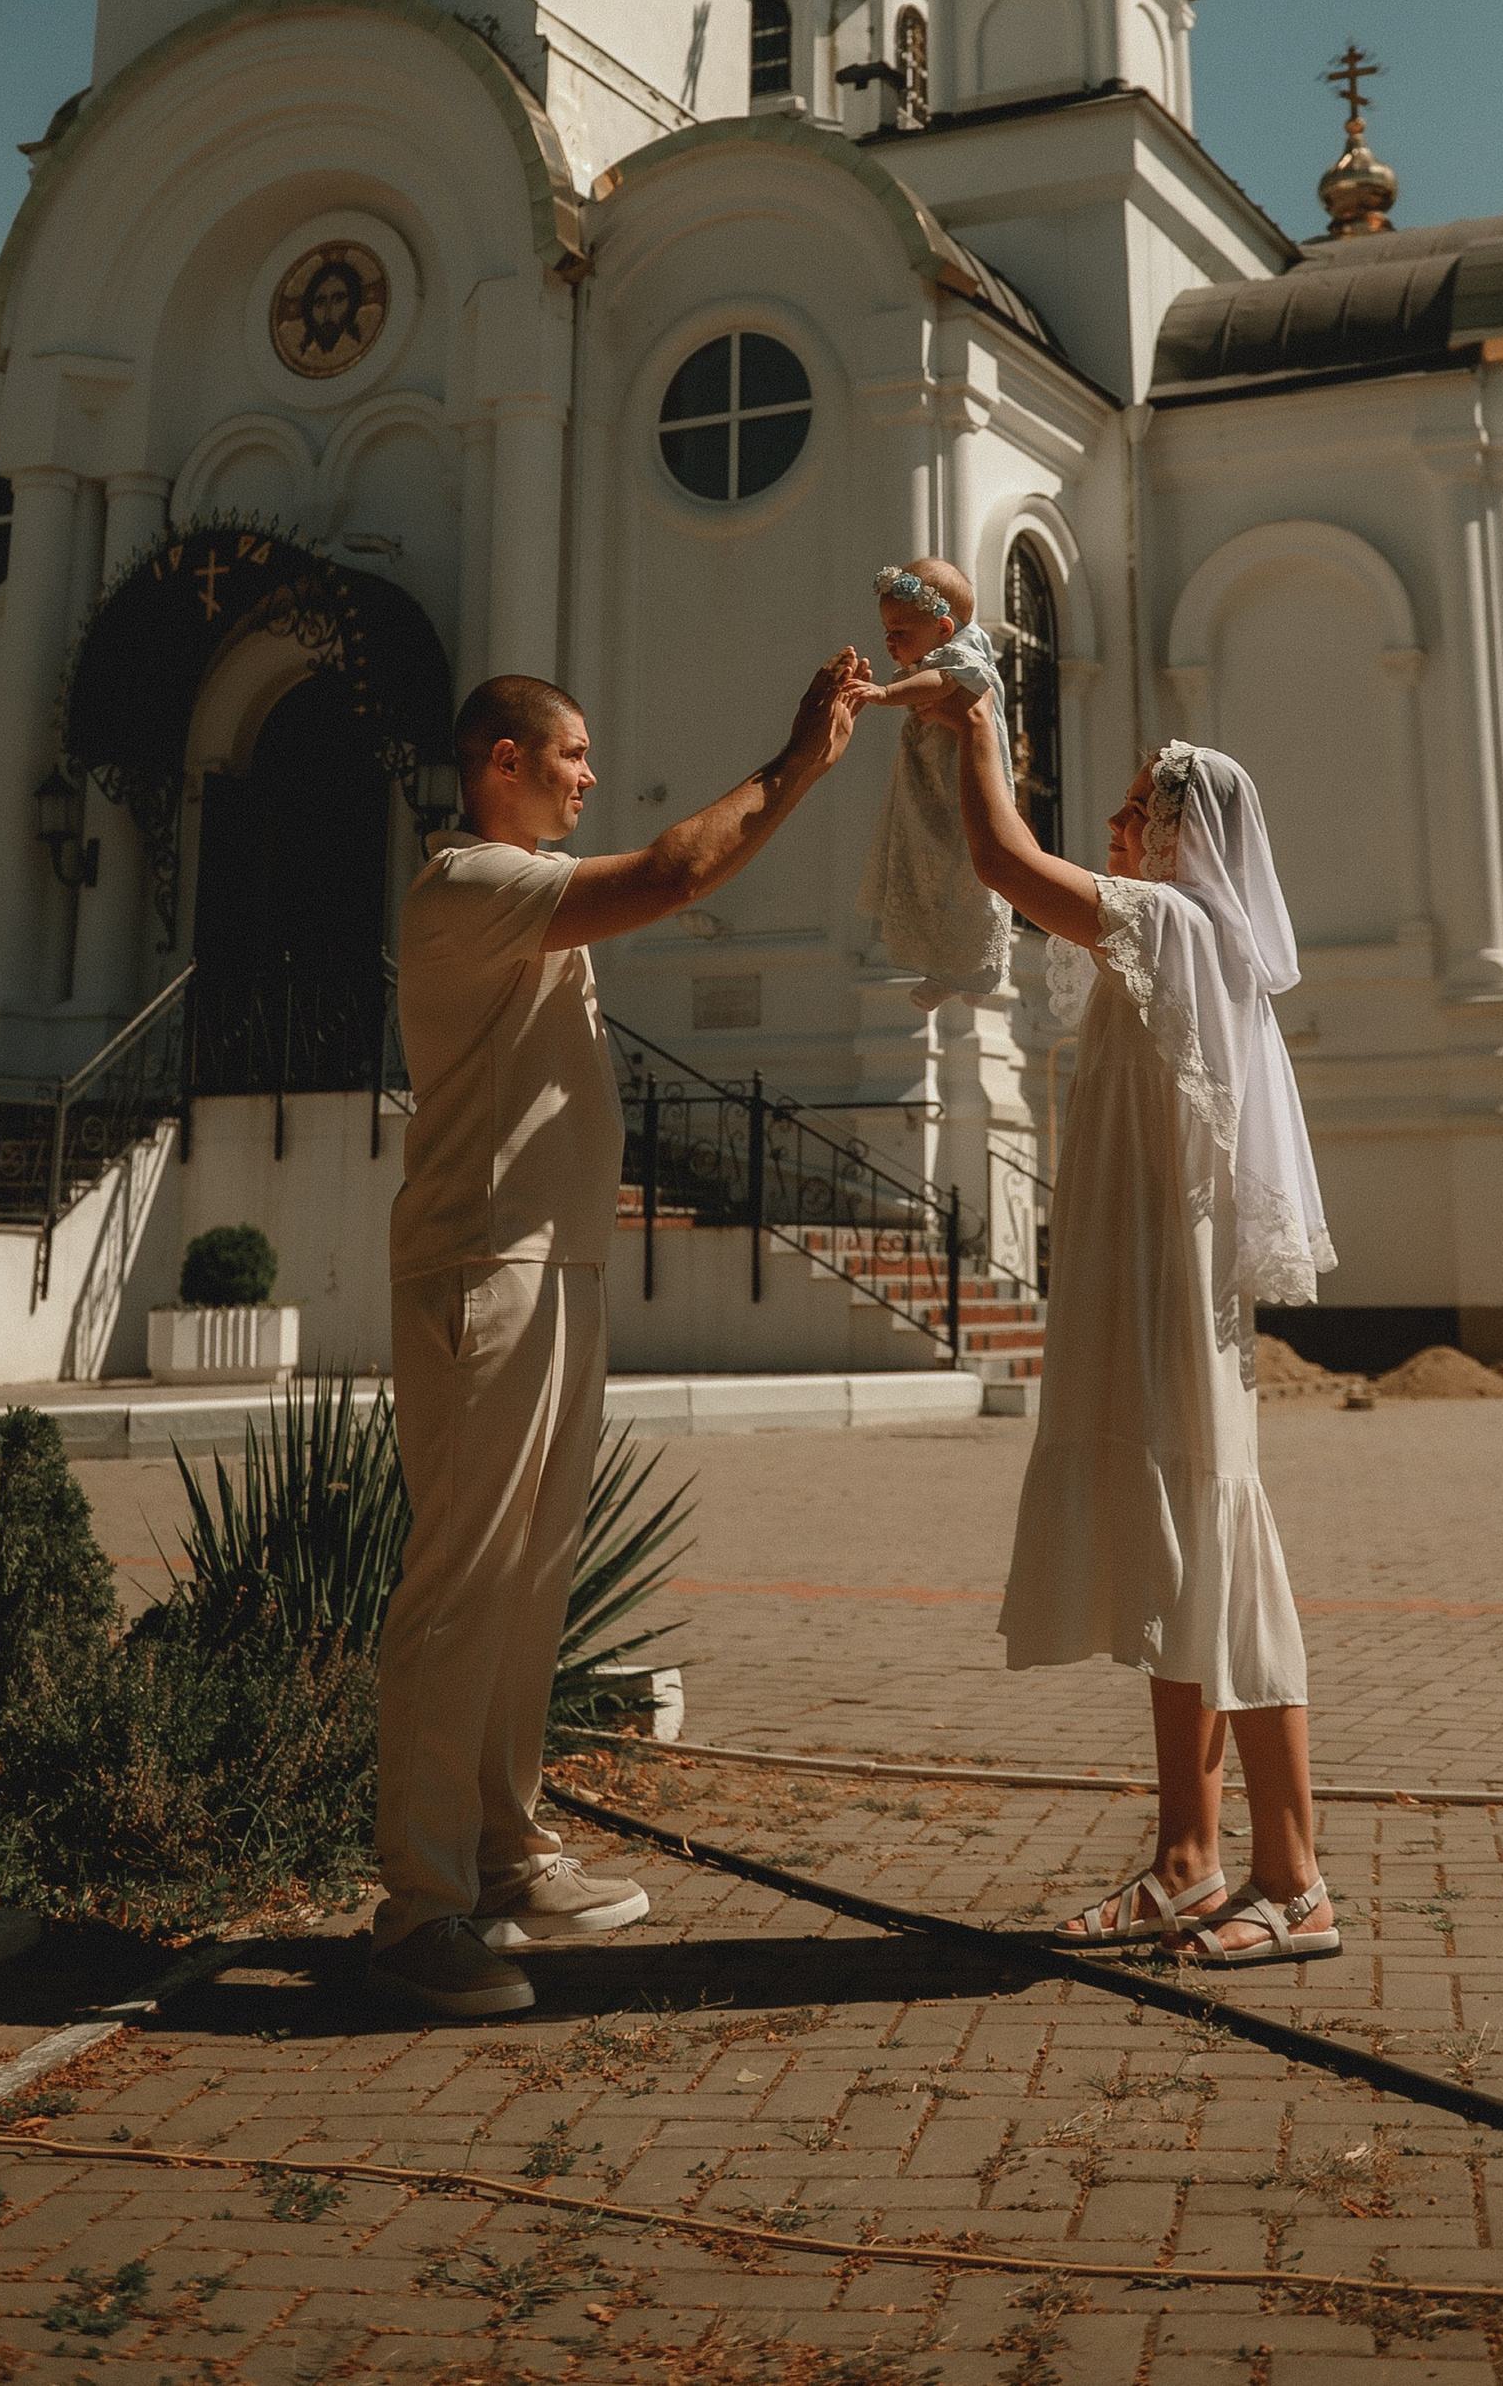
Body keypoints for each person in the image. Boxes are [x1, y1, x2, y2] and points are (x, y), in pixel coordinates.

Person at [373, 651, 871, 2021]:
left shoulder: (531, 904)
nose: (592, 774)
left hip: (556, 1264)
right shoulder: (468, 884)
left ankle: (503, 1851)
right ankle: (417, 1905)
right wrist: (796, 764)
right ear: (501, 762)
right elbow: (673, 875)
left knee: (531, 1578)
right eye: (573, 754)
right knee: (463, 1579)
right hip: (487, 1266)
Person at [930, 690, 1342, 1966]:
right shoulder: (1167, 936)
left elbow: (1000, 859)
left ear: (1181, 836)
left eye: (1135, 807)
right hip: (1136, 1276)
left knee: (1221, 1557)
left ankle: (1295, 1878)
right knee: (1177, 1567)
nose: (1111, 822)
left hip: (1169, 1292)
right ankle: (1186, 1860)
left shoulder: (1171, 923)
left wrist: (975, 721)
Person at [856, 559, 1015, 1010]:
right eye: (887, 630)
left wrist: (885, 694)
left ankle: (975, 967)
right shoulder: (937, 654)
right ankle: (945, 966)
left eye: (901, 631)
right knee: (927, 868)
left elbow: (943, 682)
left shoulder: (961, 657)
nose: (890, 640)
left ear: (944, 628)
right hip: (930, 781)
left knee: (964, 868)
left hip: (960, 778)